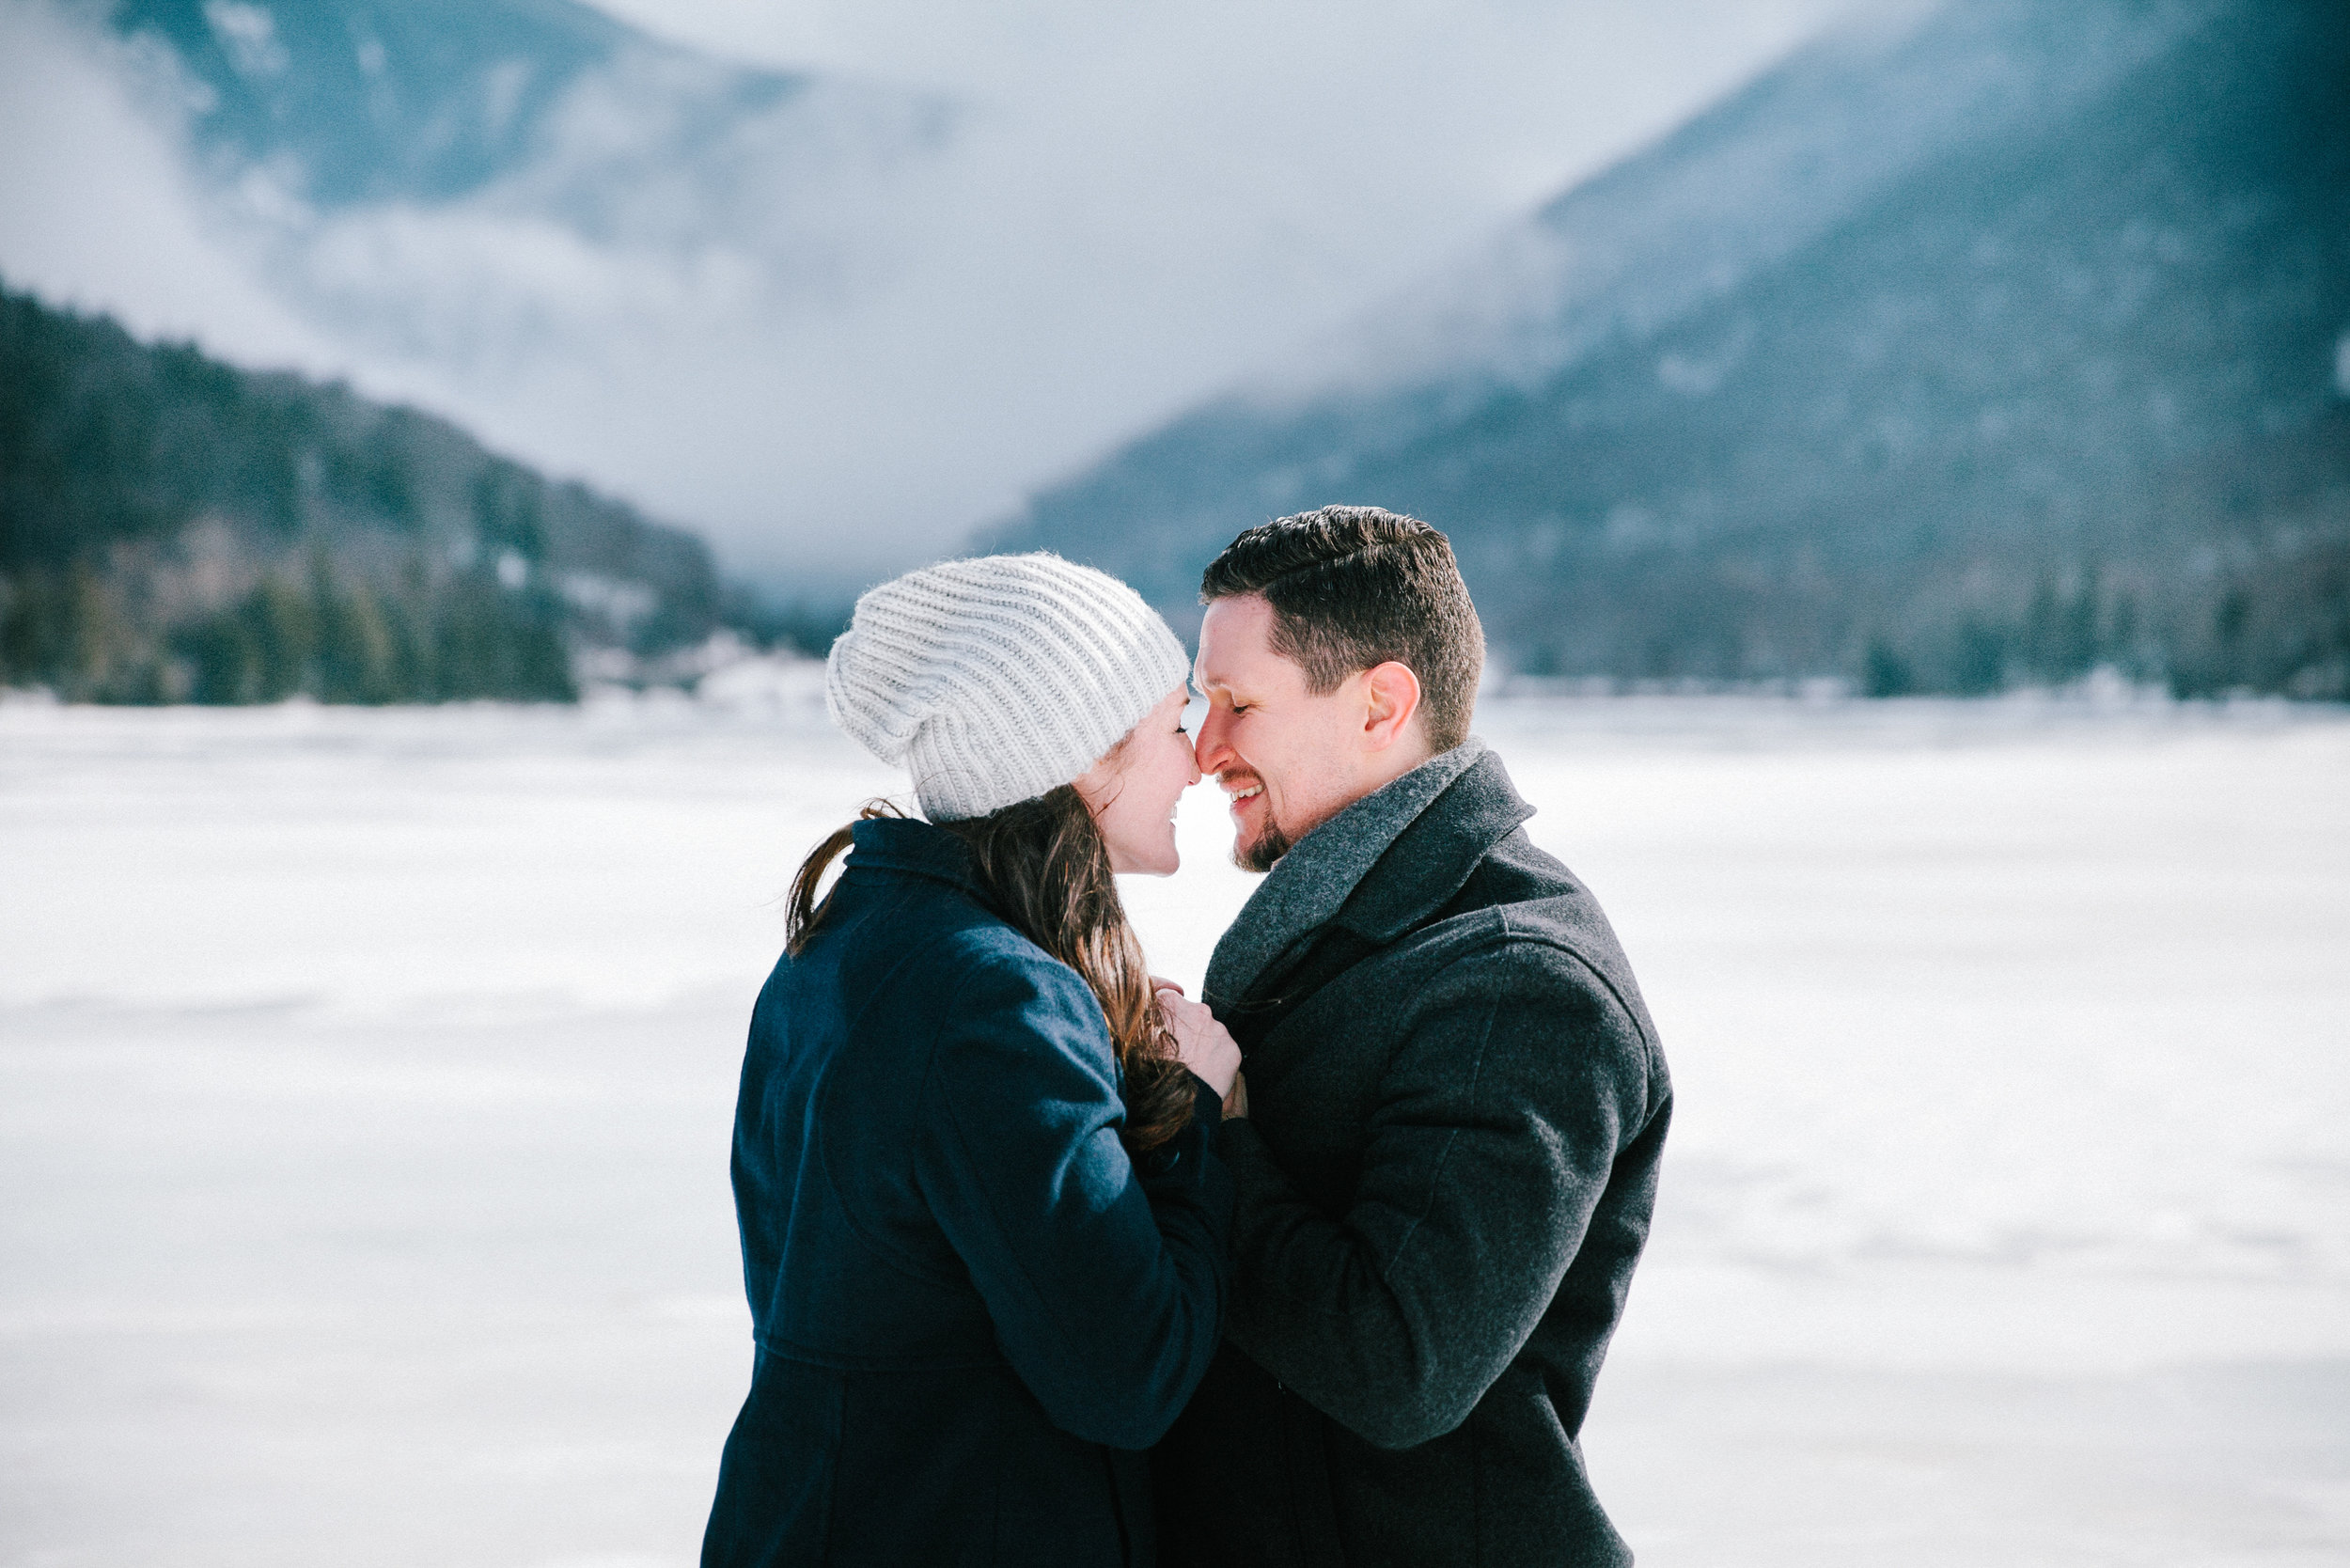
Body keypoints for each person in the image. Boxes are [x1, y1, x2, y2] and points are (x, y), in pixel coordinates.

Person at [1150, 507, 1672, 1568]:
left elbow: (1402, 1366)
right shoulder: (1341, 938)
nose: (1205, 752)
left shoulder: (1518, 988)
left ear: (1382, 703)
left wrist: (1220, 1135)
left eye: (1238, 705)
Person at [701, 553, 1242, 1568]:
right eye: (1172, 722)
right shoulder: (991, 1003)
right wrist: (1193, 1117)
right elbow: (1129, 1374)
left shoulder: (843, 948)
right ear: (1079, 757)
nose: (1198, 758)